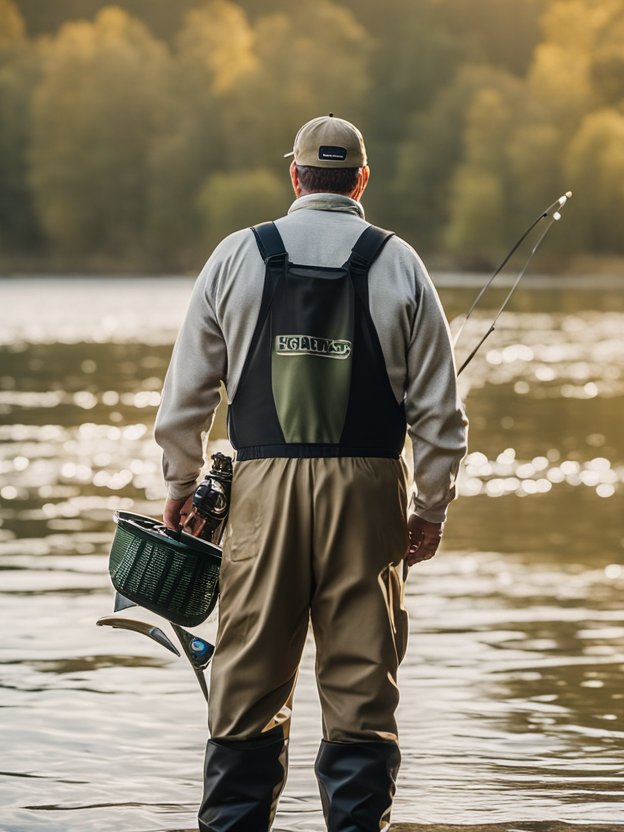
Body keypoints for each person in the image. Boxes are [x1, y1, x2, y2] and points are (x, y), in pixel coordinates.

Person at [154, 114, 467, 831]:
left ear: (295, 176)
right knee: (362, 689)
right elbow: (441, 417)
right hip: (369, 496)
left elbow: (187, 396)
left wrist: (180, 484)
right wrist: (431, 509)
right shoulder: (399, 262)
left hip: (262, 494)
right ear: (361, 179)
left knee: (247, 686)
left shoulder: (237, 255)